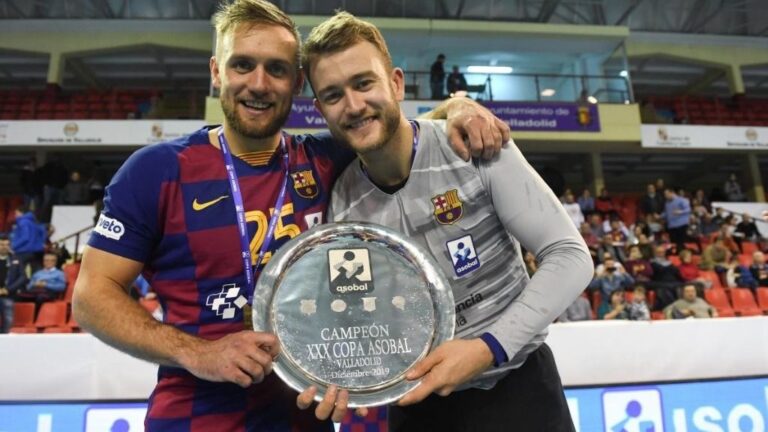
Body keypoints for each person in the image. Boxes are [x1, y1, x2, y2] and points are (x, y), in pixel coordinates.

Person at [72, 1, 509, 431]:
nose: (259, 84)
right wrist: (197, 353)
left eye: (276, 69)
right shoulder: (158, 172)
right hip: (195, 417)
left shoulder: (327, 160)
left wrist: (456, 108)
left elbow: (395, 127)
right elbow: (92, 298)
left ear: (297, 83)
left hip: (308, 417)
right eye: (242, 65)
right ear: (216, 72)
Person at [301, 12, 593, 430]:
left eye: (364, 83)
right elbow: (357, 310)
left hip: (518, 389)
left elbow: (570, 256)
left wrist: (486, 348)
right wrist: (340, 372)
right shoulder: (340, 202)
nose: (353, 105)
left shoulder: (473, 145)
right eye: (333, 95)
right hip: (416, 406)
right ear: (319, 109)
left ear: (396, 83)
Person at [0, 236, 27, 333]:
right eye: (2, 244)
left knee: (8, 319)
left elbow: (22, 277)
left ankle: (5, 341)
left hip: (8, 295)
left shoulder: (16, 259)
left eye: (7, 245)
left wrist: (8, 289)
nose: (4, 247)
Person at [10, 205, 46, 273]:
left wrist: (13, 246)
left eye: (16, 213)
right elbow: (43, 232)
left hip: (24, 251)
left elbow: (25, 237)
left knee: (20, 273)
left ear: (21, 213)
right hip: (37, 251)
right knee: (35, 272)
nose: (15, 215)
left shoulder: (23, 222)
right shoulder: (35, 222)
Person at [661, 187, 691, 253]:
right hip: (671, 226)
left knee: (681, 243)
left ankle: (682, 255)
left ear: (672, 193)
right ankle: (674, 257)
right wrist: (660, 216)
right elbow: (667, 213)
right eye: (665, 195)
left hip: (681, 225)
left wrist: (680, 212)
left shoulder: (683, 200)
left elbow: (688, 210)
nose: (665, 196)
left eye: (666, 194)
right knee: (673, 244)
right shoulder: (667, 203)